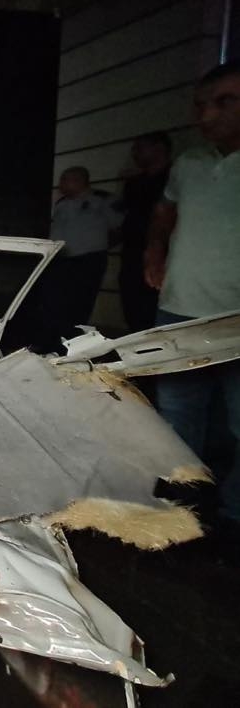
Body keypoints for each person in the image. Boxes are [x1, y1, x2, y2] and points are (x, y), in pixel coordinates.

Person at [144, 60, 240, 532]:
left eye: (225, 102)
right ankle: (183, 508)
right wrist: (154, 252)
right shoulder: (189, 163)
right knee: (178, 415)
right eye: (201, 104)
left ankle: (234, 515)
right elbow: (164, 214)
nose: (207, 115)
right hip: (179, 311)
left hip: (235, 317)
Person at [46, 166, 120, 337]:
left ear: (79, 180)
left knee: (80, 303)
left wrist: (97, 247)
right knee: (56, 302)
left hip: (87, 260)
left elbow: (120, 228)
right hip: (61, 260)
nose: (61, 184)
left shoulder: (102, 200)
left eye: (65, 180)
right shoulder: (61, 203)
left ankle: (74, 338)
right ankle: (55, 336)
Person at [119, 131, 172, 333]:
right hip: (132, 252)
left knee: (157, 308)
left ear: (159, 148)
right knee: (133, 307)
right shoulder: (134, 183)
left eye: (139, 148)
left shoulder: (173, 178)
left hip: (165, 253)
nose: (134, 153)